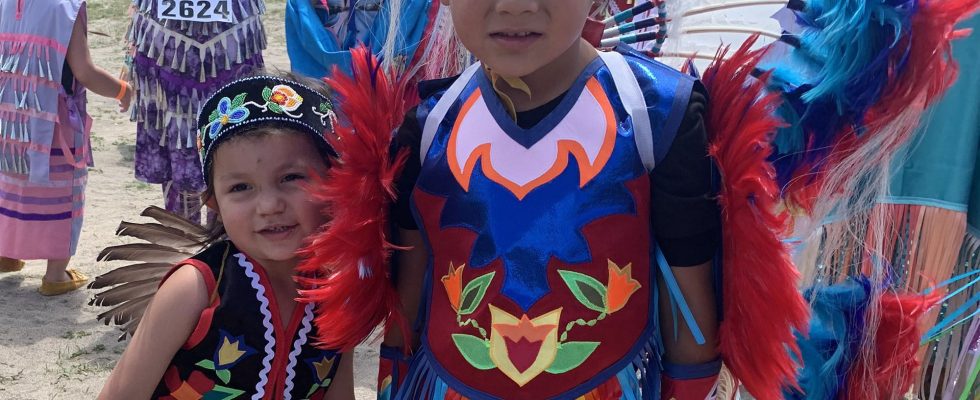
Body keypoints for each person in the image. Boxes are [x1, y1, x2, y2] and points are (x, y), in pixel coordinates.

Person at [380, 0, 723, 397]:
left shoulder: (658, 116)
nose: (514, 6)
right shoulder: (427, 130)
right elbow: (406, 314)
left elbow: (691, 321)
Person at [97, 74, 353, 400]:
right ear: (214, 203)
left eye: (291, 177)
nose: (270, 205)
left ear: (334, 183)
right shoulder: (196, 288)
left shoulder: (337, 293)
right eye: (241, 187)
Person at [0, 0, 133, 295]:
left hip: (11, 117)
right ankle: (56, 276)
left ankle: (8, 254)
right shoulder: (64, 7)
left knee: (13, 185)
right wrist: (123, 90)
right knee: (61, 193)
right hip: (53, 120)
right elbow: (84, 71)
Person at [127, 0, 266, 222]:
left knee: (232, 128)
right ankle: (186, 238)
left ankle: (224, 237)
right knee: (174, 127)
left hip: (228, 29)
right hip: (168, 28)